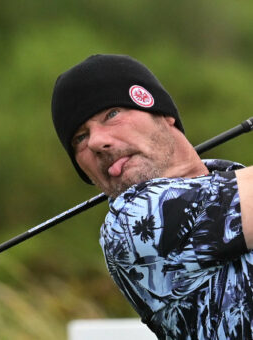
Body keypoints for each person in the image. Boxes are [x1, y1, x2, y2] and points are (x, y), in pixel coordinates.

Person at [51, 54, 253, 339]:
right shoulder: (132, 224)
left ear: (163, 113)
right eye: (80, 138)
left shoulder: (231, 176)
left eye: (111, 114)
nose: (96, 142)